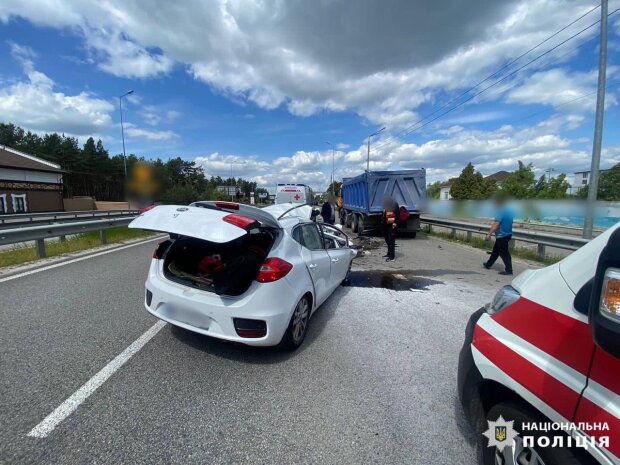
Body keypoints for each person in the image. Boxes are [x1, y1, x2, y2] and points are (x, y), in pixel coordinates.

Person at [483, 197, 514, 275]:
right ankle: (488, 264)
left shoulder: (500, 212)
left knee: (504, 253)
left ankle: (509, 270)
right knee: (496, 251)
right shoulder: (509, 212)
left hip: (502, 235)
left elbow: (496, 224)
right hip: (507, 234)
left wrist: (489, 234)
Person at [381, 195, 399, 262]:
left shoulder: (394, 204)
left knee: (391, 241)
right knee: (387, 240)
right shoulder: (386, 205)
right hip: (386, 225)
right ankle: (388, 254)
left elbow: (397, 215)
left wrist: (395, 223)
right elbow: (385, 214)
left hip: (391, 225)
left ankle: (392, 257)